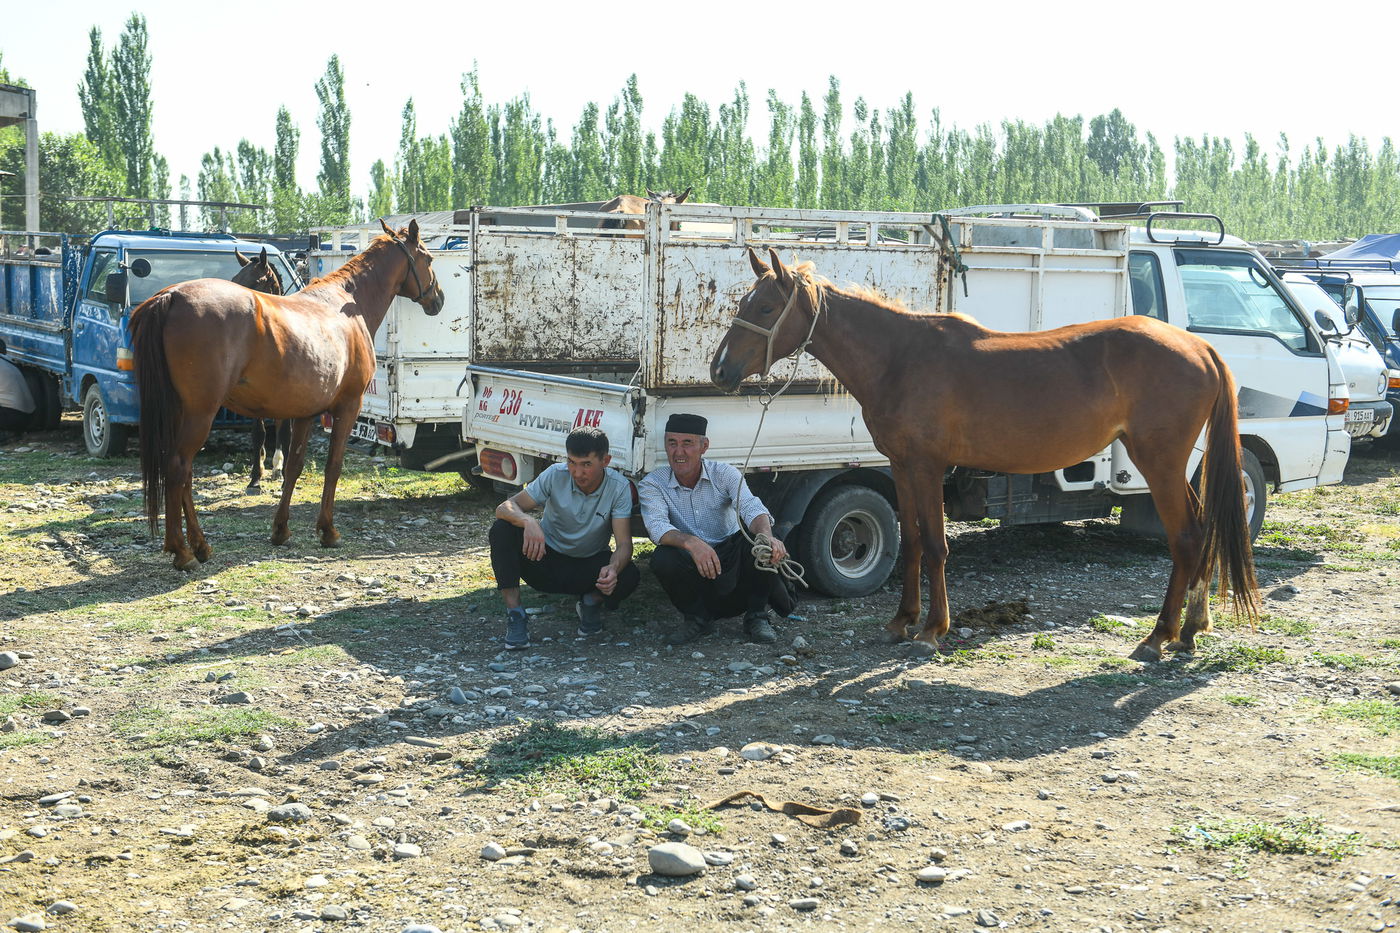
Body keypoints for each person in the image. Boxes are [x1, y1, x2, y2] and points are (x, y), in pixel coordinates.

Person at [638, 413, 794, 647]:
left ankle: (756, 616)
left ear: (704, 446)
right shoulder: (653, 483)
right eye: (672, 443)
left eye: (687, 443)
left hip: (731, 556)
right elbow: (657, 526)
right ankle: (697, 618)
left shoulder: (724, 473)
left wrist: (766, 536)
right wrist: (692, 543)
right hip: (692, 559)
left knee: (761, 541)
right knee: (663, 558)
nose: (678, 452)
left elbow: (751, 507)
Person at [489, 426, 639, 649]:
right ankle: (516, 615)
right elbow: (505, 507)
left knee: (630, 574)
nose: (577, 473)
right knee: (502, 529)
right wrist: (528, 521)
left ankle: (590, 603)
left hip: (588, 568)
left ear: (605, 461)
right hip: (544, 559)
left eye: (586, 464)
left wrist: (613, 569)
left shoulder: (619, 487)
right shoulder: (555, 474)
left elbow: (625, 544)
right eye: (572, 462)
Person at [0, 345, 36, 443]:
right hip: (29, 416)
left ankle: (5, 434)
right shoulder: (7, 361)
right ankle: (12, 433)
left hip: (13, 416)